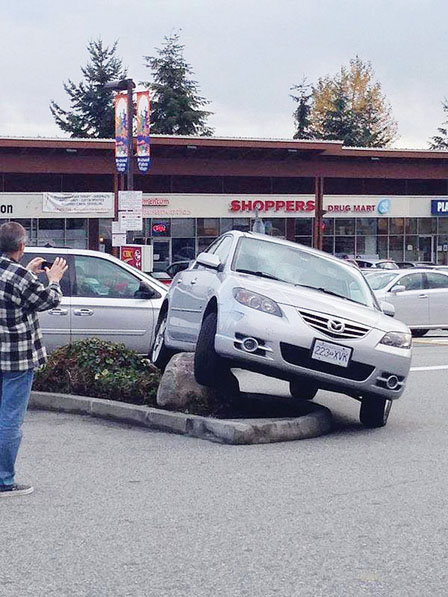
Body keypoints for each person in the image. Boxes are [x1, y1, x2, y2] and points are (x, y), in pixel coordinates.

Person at [0, 222, 68, 498]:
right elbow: (49, 300)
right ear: (21, 246)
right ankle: (4, 481)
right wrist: (54, 278)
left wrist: (28, 272)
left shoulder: (16, 274)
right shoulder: (19, 276)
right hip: (16, 359)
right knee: (10, 420)